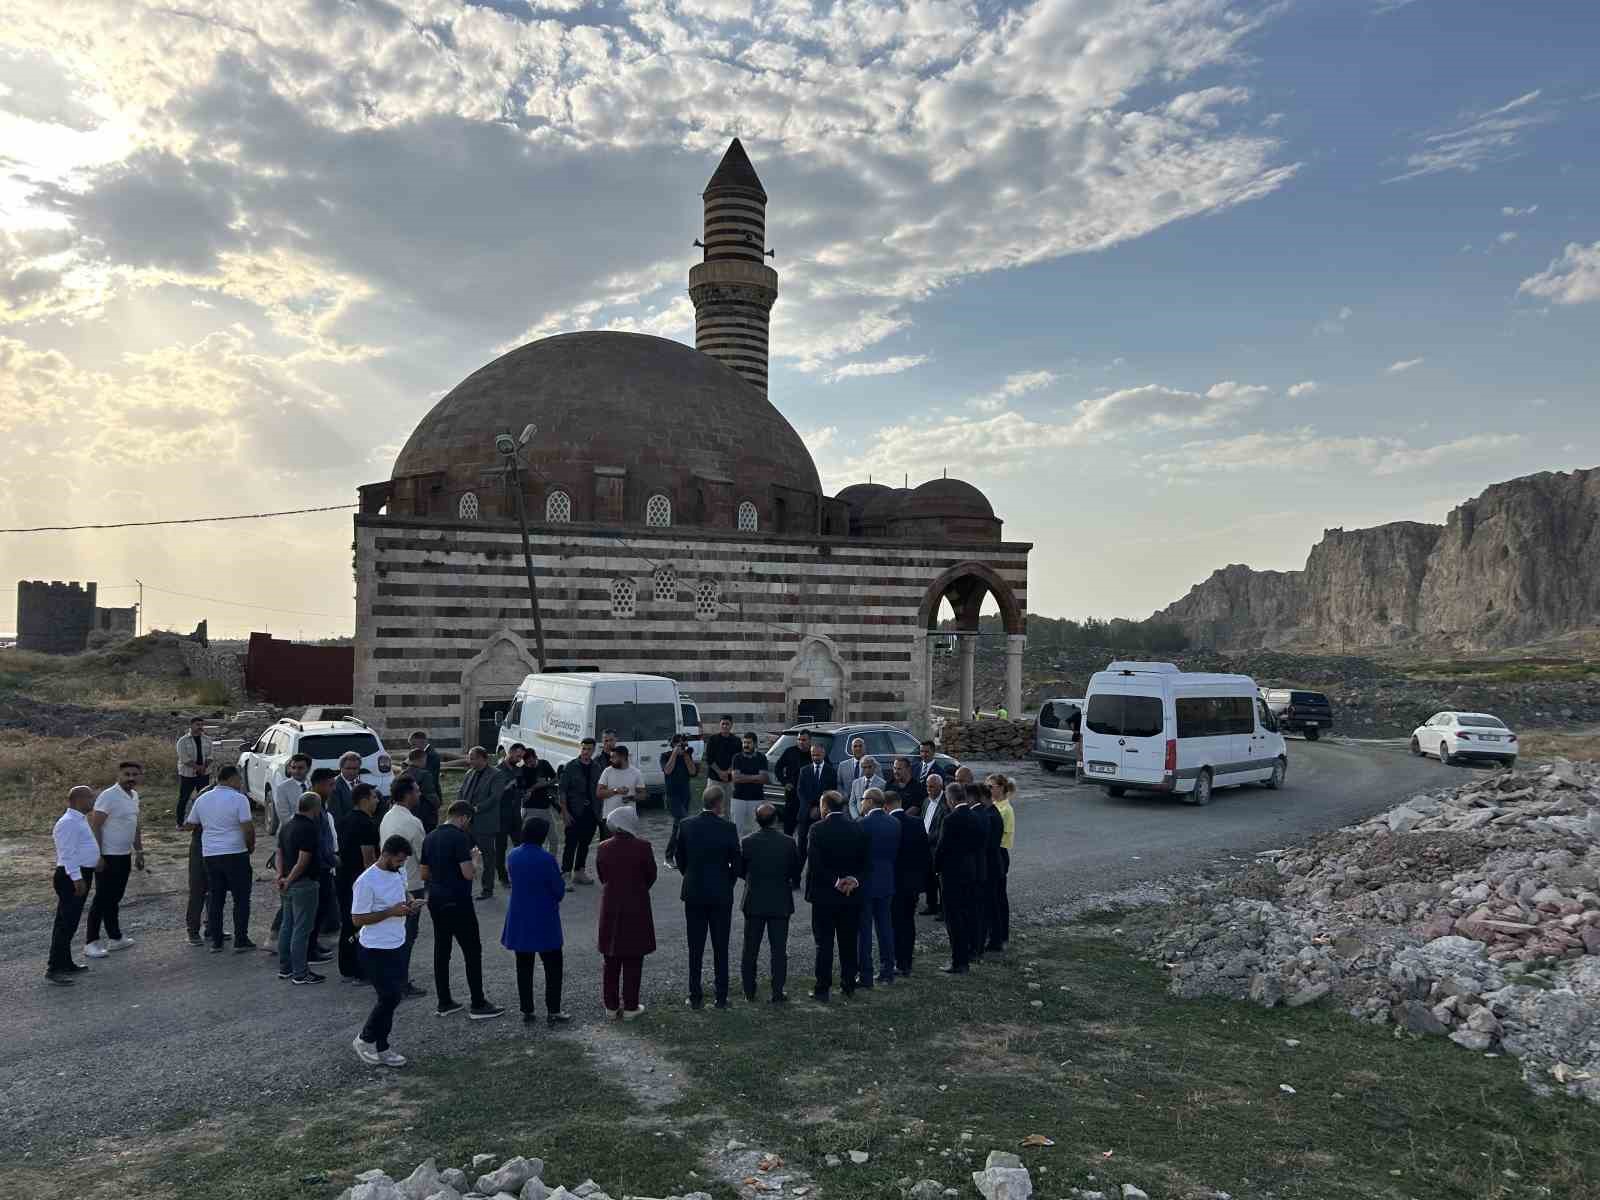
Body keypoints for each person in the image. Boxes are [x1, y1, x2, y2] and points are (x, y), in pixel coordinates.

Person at [419, 800, 505, 1020]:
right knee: (472, 951)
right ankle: (478, 1003)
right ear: (464, 817)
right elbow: (468, 873)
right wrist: (475, 860)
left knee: (442, 950)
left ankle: (444, 1001)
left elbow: (424, 874)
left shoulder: (429, 837)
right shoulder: (460, 838)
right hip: (458, 900)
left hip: (436, 899)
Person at [351, 835, 421, 1068]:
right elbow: (358, 918)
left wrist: (411, 902)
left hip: (397, 943)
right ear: (386, 854)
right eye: (399, 860)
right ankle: (364, 1039)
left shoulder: (398, 872)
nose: (402, 865)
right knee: (389, 996)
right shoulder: (366, 881)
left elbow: (404, 893)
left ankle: (383, 1047)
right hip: (374, 949)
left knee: (392, 997)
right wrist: (391, 912)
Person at [502, 815, 571, 1027]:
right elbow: (558, 891)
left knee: (523, 966)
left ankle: (527, 1009)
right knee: (553, 966)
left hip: (520, 917)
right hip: (543, 918)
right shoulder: (546, 859)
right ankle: (553, 1009)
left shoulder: (513, 855)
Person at [676, 784, 740, 1010]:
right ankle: (721, 996)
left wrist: (691, 876)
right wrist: (727, 882)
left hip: (694, 892)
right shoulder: (728, 828)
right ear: (719, 804)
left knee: (695, 947)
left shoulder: (686, 825)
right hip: (720, 893)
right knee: (720, 946)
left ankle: (695, 996)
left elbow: (680, 859)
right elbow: (737, 864)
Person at [182, 765, 256, 951]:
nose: (240, 783)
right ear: (231, 779)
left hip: (211, 854)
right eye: (239, 779)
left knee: (216, 898)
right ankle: (241, 939)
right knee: (241, 898)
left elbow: (190, 824)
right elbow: (247, 827)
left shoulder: (202, 799)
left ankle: (216, 941)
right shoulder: (239, 799)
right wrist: (250, 846)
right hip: (235, 852)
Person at [803, 790, 867, 1002]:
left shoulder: (816, 829)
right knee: (848, 942)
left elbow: (815, 863)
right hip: (851, 896)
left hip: (824, 896)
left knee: (824, 943)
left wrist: (836, 881)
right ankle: (849, 985)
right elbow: (866, 862)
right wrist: (853, 880)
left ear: (825, 807)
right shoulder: (857, 828)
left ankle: (823, 988)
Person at [595, 803, 656, 1020]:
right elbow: (651, 875)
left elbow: (602, 875)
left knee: (610, 958)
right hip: (637, 904)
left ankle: (611, 1006)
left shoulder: (603, 847)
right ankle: (630, 1005)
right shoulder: (643, 846)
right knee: (634, 957)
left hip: (611, 905)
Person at [740, 801, 801, 1003]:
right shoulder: (788, 842)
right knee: (778, 950)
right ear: (776, 819)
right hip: (780, 901)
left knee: (750, 949)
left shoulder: (747, 842)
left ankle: (749, 991)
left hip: (754, 900)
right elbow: (795, 871)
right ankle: (777, 991)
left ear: (757, 821)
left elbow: (740, 870)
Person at [85, 760, 144, 959]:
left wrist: (139, 851)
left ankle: (115, 938)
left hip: (124, 854)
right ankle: (90, 942)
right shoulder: (108, 796)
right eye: (127, 774)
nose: (131, 778)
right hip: (108, 856)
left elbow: (135, 825)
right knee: (102, 899)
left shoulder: (134, 796)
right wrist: (98, 855)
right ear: (118, 775)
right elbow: (95, 825)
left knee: (115, 898)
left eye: (135, 774)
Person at [378, 776, 428, 995]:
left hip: (391, 880)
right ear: (407, 794)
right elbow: (423, 857)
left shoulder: (387, 817)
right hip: (411, 883)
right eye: (416, 791)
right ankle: (400, 982)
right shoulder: (413, 822)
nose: (419, 794)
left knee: (394, 933)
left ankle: (390, 977)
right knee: (407, 935)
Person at [47, 785, 100, 985]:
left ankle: (66, 962)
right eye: (90, 798)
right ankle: (54, 968)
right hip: (71, 876)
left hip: (79, 873)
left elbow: (82, 847)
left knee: (71, 923)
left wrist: (96, 860)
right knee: (65, 924)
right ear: (78, 800)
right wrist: (77, 878)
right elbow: (67, 854)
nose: (93, 801)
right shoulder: (67, 822)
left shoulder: (79, 819)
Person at [275, 790, 326, 985]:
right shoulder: (309, 828)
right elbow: (304, 860)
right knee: (302, 929)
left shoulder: (286, 825)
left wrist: (281, 876)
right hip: (303, 883)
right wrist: (290, 879)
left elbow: (279, 852)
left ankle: (285, 967)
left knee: (287, 926)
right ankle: (300, 972)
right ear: (316, 807)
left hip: (287, 882)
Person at [933, 781, 982, 974]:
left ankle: (958, 961)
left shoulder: (951, 819)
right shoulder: (976, 816)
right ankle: (969, 953)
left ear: (950, 799)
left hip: (952, 874)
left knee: (954, 920)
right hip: (970, 872)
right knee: (967, 915)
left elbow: (942, 847)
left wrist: (937, 869)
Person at [336, 782, 382, 982]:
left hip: (343, 878)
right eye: (374, 797)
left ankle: (346, 967)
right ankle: (360, 969)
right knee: (361, 926)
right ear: (364, 800)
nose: (377, 800)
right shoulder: (366, 823)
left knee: (347, 924)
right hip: (358, 882)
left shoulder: (344, 819)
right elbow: (368, 859)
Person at [855, 788, 900, 988]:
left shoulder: (862, 824)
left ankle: (865, 975)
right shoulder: (895, 822)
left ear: (871, 801)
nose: (861, 802)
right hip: (887, 880)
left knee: (864, 931)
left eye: (863, 799)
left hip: (866, 883)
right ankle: (887, 971)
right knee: (885, 928)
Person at [886, 788, 931, 976]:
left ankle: (898, 960)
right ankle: (907, 961)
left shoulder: (888, 824)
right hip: (912, 882)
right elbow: (925, 854)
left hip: (893, 881)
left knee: (895, 923)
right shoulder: (917, 822)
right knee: (908, 922)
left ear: (886, 806)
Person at [459, 747, 511, 900]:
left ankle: (487, 889)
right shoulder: (469, 773)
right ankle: (463, 887)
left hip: (484, 823)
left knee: (488, 857)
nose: (470, 761)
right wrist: (461, 809)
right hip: (466, 823)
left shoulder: (496, 775)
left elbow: (495, 797)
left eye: (473, 758)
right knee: (462, 855)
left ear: (484, 758)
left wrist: (475, 809)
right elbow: (462, 792)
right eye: (470, 758)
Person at [559, 738, 603, 884]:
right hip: (574, 810)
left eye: (589, 749)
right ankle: (565, 873)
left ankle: (579, 871)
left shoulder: (596, 767)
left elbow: (600, 788)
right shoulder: (571, 766)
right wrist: (564, 812)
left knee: (585, 842)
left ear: (593, 750)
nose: (585, 752)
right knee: (571, 842)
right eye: (583, 749)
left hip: (591, 811)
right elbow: (562, 790)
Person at [514, 743, 561, 863]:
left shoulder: (544, 764)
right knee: (531, 841)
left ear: (536, 757)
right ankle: (530, 863)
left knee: (553, 839)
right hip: (530, 809)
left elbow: (555, 779)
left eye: (532, 761)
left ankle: (550, 862)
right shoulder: (522, 770)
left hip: (545, 807)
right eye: (527, 762)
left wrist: (544, 784)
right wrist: (530, 790)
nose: (530, 764)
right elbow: (521, 792)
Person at [970, 781, 1001, 962]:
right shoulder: (991, 812)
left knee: (984, 907)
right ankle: (993, 940)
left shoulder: (988, 815)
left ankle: (983, 944)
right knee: (991, 906)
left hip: (988, 867)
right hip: (991, 865)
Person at [985, 774, 1016, 954]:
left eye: (992, 786)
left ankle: (1000, 936)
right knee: (994, 897)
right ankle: (995, 933)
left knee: (998, 898)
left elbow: (1001, 836)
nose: (989, 790)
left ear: (1002, 788)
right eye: (987, 787)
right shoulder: (994, 806)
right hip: (993, 852)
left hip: (999, 853)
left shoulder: (1005, 809)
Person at [659, 734, 699, 869]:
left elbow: (693, 772)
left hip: (685, 794)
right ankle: (669, 856)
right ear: (673, 744)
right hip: (672, 795)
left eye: (684, 744)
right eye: (680, 744)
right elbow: (667, 770)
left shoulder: (687, 755)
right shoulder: (665, 756)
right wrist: (675, 754)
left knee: (679, 826)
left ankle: (676, 855)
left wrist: (686, 756)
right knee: (683, 821)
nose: (683, 747)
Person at [794, 740, 836, 865]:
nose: (815, 757)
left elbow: (830, 792)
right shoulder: (804, 771)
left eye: (818, 755)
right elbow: (801, 792)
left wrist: (819, 808)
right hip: (805, 815)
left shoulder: (831, 771)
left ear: (823, 754)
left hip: (822, 814)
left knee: (820, 849)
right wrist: (810, 808)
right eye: (813, 755)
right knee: (801, 848)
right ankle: (796, 880)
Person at [729, 733, 769, 839]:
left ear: (755, 744)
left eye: (749, 743)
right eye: (744, 742)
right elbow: (736, 778)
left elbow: (764, 779)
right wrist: (755, 777)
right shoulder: (737, 757)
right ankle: (736, 853)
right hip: (738, 799)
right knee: (736, 830)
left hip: (756, 799)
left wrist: (743, 777)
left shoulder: (761, 757)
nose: (745, 745)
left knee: (757, 829)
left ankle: (755, 853)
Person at [175, 717, 211, 828]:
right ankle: (180, 823)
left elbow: (210, 756)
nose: (200, 727)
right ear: (191, 726)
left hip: (204, 773)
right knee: (184, 798)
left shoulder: (207, 740)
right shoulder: (183, 741)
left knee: (204, 798)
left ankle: (203, 823)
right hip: (187, 774)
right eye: (197, 724)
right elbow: (184, 758)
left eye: (201, 724)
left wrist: (204, 767)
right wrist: (197, 767)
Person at [773, 730, 811, 837]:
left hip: (808, 797)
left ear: (809, 741)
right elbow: (778, 768)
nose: (801, 742)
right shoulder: (790, 751)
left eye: (804, 740)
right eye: (799, 739)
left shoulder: (814, 753)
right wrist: (785, 782)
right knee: (788, 828)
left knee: (805, 830)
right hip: (791, 794)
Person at [598, 743, 645, 825]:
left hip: (628, 818)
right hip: (609, 818)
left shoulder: (636, 772)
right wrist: (616, 791)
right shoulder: (607, 771)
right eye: (610, 757)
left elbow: (643, 795)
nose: (610, 760)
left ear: (623, 757)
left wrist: (631, 798)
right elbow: (599, 793)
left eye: (613, 757)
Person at [919, 772, 945, 917]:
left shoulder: (945, 804)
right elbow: (923, 820)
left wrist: (926, 838)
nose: (929, 790)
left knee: (939, 880)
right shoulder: (926, 801)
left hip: (936, 846)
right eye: (927, 786)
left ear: (941, 787)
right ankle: (931, 905)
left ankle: (942, 908)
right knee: (928, 876)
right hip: (926, 846)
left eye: (932, 787)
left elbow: (942, 829)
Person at [401, 747, 442, 832]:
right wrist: (438, 804)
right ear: (422, 759)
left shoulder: (402, 774)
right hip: (424, 815)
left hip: (406, 812)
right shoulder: (425, 775)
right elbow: (431, 796)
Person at [704, 716, 741, 790]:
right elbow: (709, 758)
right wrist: (720, 773)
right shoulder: (712, 739)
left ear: (731, 725)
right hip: (714, 779)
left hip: (730, 779)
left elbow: (738, 759)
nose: (725, 726)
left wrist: (728, 772)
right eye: (723, 724)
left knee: (728, 801)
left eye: (727, 724)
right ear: (719, 725)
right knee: (713, 801)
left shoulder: (737, 740)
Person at [847, 755, 886, 820]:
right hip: (857, 818)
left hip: (874, 819)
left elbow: (881, 804)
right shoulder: (856, 783)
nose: (867, 770)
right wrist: (856, 817)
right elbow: (852, 803)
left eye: (869, 767)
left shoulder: (882, 784)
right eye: (864, 767)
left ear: (874, 767)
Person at [329, 752, 364, 825]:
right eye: (348, 768)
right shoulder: (334, 787)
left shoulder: (361, 784)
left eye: (355, 768)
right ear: (341, 768)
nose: (351, 772)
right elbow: (336, 817)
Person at [407, 729, 443, 796]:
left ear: (422, 741)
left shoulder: (431, 755)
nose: (412, 748)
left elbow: (428, 777)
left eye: (414, 744)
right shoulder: (424, 753)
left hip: (429, 794)